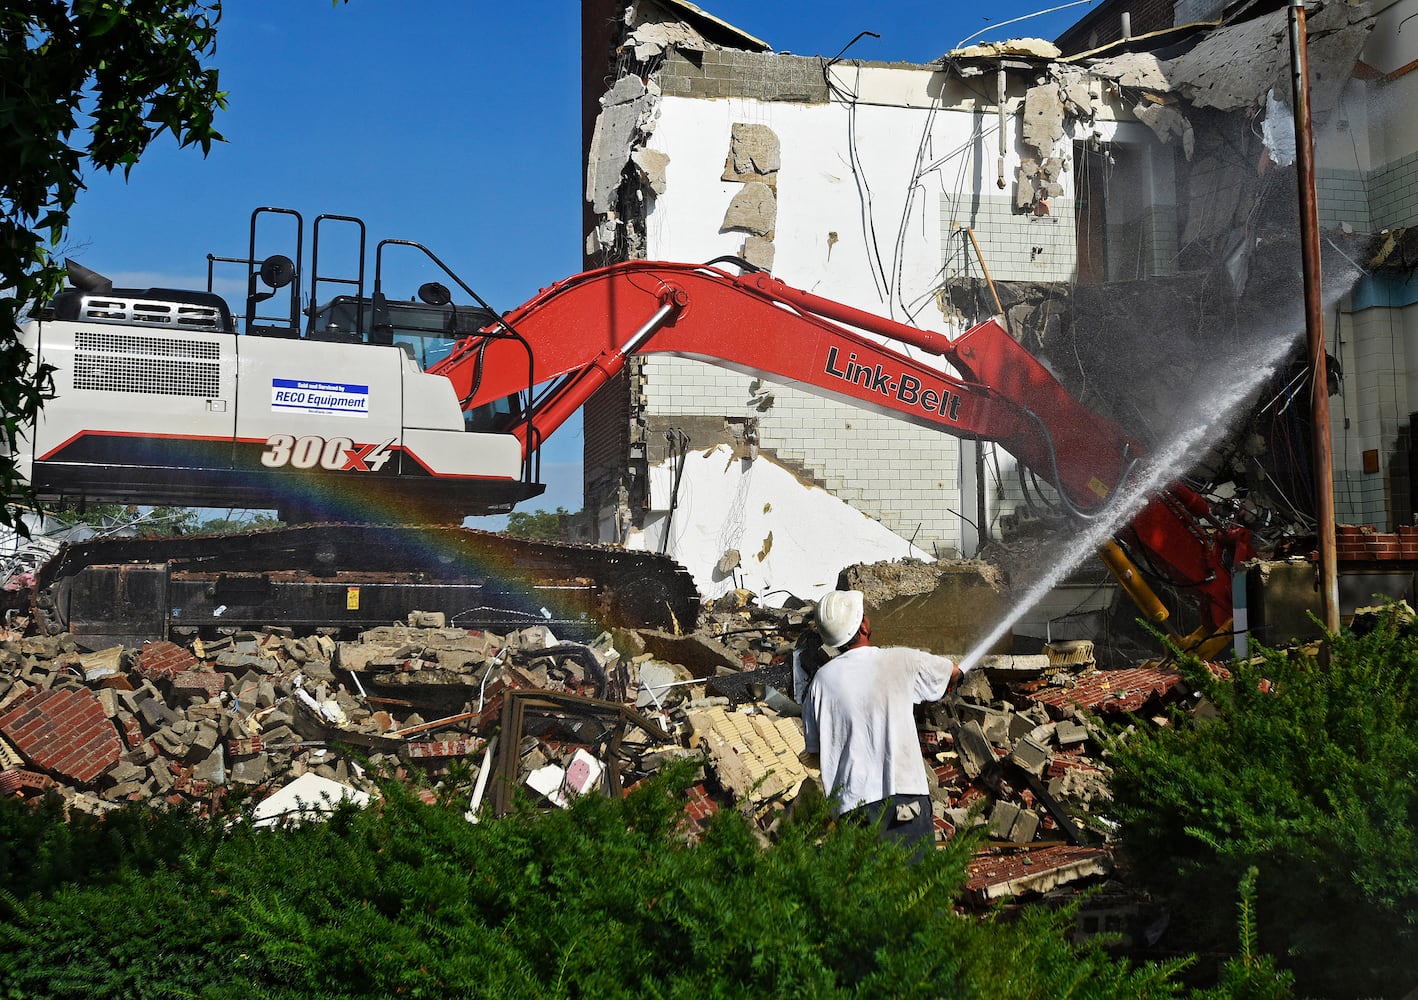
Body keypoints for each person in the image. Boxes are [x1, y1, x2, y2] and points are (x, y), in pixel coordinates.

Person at [800, 588, 965, 856]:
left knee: (869, 893)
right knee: (915, 888)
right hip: (905, 799)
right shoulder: (901, 660)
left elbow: (816, 752)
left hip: (851, 808)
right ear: (864, 625)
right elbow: (953, 673)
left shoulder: (820, 682)